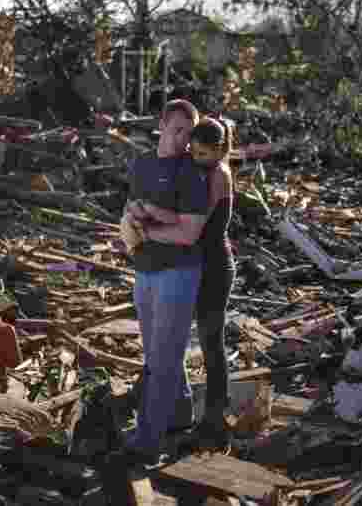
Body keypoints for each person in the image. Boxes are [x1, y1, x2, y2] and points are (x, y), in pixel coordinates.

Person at [119, 99, 210, 465]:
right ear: (161, 125)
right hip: (145, 269)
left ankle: (148, 441)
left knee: (162, 359)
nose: (182, 141)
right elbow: (130, 207)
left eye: (188, 135)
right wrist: (132, 222)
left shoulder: (191, 172)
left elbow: (189, 233)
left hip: (179, 273)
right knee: (158, 352)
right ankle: (181, 412)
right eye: (176, 131)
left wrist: (153, 228)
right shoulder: (142, 163)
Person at [184, 116, 236, 450]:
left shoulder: (218, 175)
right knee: (203, 341)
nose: (195, 158)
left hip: (215, 268)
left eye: (202, 153)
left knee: (211, 344)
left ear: (218, 151)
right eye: (192, 151)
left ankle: (215, 420)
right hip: (203, 265)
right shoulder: (205, 170)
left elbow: (198, 226)